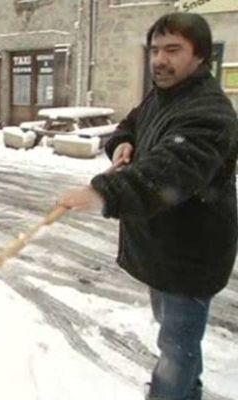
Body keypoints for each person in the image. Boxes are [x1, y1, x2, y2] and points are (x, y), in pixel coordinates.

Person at [57, 12, 238, 400]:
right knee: (176, 337)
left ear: (200, 56)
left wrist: (105, 192)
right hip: (162, 246)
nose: (159, 59)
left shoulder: (210, 113)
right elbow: (133, 124)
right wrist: (122, 142)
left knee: (176, 346)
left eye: (173, 50)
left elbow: (169, 172)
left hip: (192, 254)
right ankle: (187, 389)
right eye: (155, 49)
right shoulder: (162, 95)